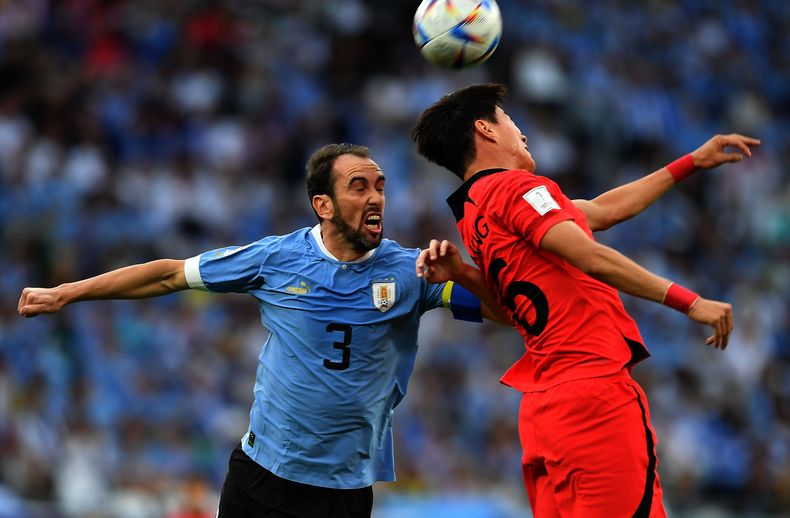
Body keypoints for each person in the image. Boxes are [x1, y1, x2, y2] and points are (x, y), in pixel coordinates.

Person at [17, 143, 506, 518]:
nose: (376, 196)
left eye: (380, 185)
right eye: (359, 186)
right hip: (260, 477)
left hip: (344, 491)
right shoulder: (276, 259)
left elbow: (506, 313)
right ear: (325, 205)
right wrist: (67, 292)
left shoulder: (411, 271)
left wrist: (462, 274)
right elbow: (169, 273)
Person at [411, 83, 760, 517]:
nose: (521, 131)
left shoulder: (475, 214)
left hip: (545, 410)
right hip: (593, 395)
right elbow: (588, 254)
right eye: (509, 119)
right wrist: (690, 301)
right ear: (485, 129)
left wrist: (691, 163)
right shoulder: (516, 189)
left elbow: (597, 213)